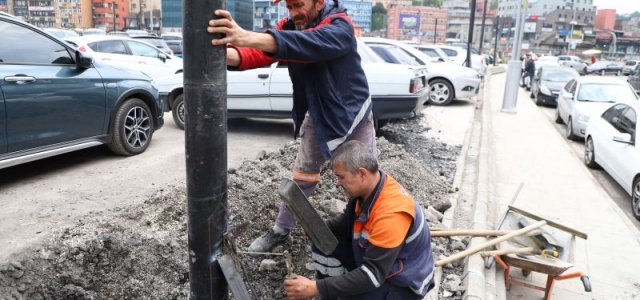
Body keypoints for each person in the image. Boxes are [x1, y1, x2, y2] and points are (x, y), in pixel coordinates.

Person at [207, 0, 379, 253]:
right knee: (302, 177)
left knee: (367, 179)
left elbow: (310, 44)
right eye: (289, 6)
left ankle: (372, 236)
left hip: (353, 115)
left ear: (319, 2)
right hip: (318, 113)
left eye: (298, 5)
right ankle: (281, 229)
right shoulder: (290, 27)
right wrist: (218, 51)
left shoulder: (340, 26)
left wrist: (246, 36)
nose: (293, 13)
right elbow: (262, 52)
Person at [283, 140, 435, 300]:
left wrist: (316, 288)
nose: (337, 183)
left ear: (362, 173)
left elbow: (373, 275)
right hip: (379, 265)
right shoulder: (368, 191)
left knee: (350, 294)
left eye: (341, 177)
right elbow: (347, 224)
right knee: (322, 242)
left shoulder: (392, 212)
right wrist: (318, 229)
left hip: (403, 283)